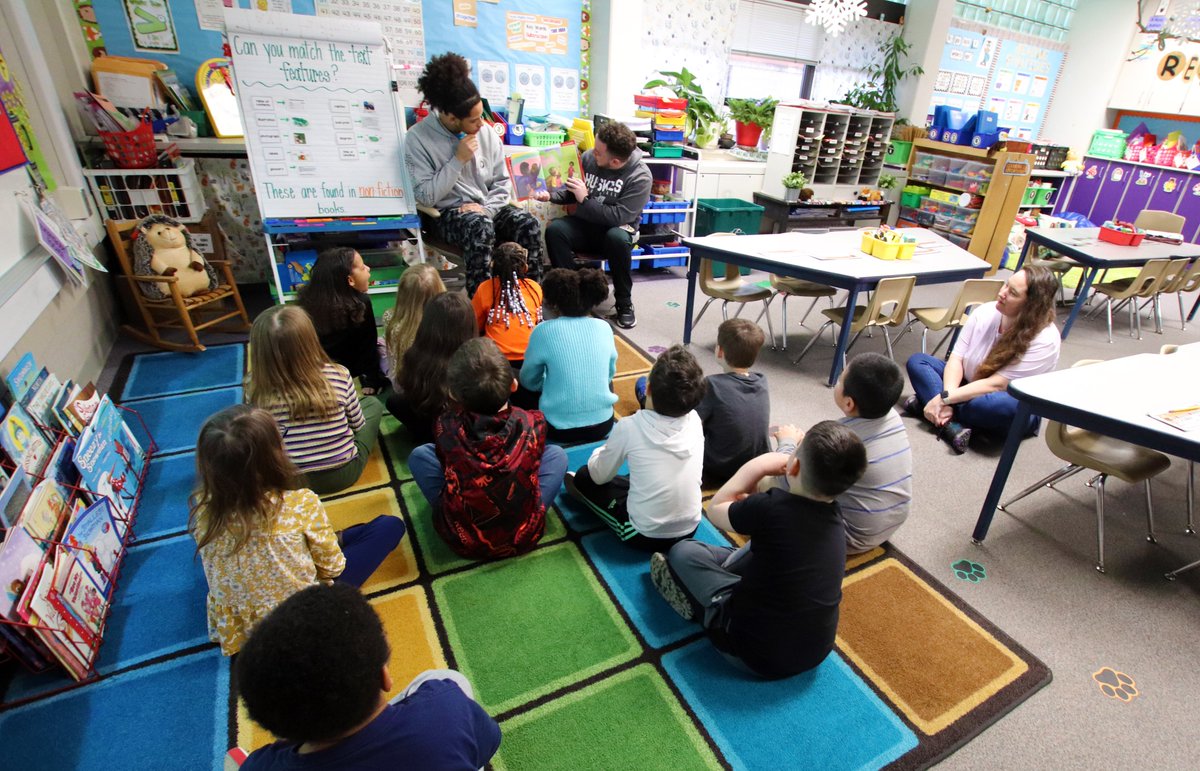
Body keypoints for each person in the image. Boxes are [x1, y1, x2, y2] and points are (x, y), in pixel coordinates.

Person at [650, 420, 867, 679]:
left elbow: (714, 509)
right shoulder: (836, 518)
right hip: (815, 652)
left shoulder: (772, 508)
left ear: (793, 466)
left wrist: (759, 466)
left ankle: (702, 607)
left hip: (750, 654)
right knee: (768, 552)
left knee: (684, 552)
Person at [189, 406, 405, 655]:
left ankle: (334, 538)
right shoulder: (301, 503)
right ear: (274, 455)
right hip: (303, 615)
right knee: (389, 526)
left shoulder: (204, 512)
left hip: (242, 630)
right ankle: (335, 538)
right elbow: (333, 569)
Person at [237, 583, 500, 769]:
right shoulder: (444, 707)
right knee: (450, 678)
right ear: (385, 677)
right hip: (439, 742)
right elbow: (490, 738)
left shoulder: (264, 765)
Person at [408, 338, 568, 560]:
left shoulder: (444, 426)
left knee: (420, 455)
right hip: (523, 535)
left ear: (453, 394)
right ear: (513, 384)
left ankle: (453, 511)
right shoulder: (535, 421)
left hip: (463, 539)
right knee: (557, 455)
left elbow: (448, 467)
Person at [404, 52, 543, 296]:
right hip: (446, 214)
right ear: (450, 116)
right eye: (474, 120)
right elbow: (425, 197)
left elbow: (502, 183)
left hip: (485, 209)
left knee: (528, 224)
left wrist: (487, 209)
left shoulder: (486, 133)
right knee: (479, 227)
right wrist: (457, 160)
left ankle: (530, 301)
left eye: (481, 117)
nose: (481, 125)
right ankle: (481, 311)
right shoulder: (418, 138)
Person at [904, 265, 1061, 454]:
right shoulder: (985, 312)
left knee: (990, 406)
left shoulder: (1045, 339)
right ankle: (951, 425)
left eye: (1012, 293)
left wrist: (944, 398)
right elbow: (956, 359)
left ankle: (928, 405)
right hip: (967, 384)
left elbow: (996, 385)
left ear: (1031, 305)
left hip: (1006, 400)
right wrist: (948, 396)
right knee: (919, 362)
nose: (1002, 293)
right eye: (1005, 285)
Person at [565, 345, 707, 551]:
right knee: (640, 476)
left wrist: (599, 453)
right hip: (691, 526)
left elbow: (599, 476)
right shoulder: (695, 420)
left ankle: (589, 500)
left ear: (648, 389)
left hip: (642, 533)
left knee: (584, 477)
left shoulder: (629, 427)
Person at [776, 353, 912, 553]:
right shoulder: (892, 417)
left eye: (840, 379)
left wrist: (787, 444)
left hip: (848, 537)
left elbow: (791, 474)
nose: (838, 381)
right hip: (886, 525)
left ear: (849, 403)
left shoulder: (844, 439)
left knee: (771, 477)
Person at [246, 306, 384, 496]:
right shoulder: (339, 374)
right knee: (373, 404)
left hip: (288, 481)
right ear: (311, 340)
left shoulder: (254, 388)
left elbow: (262, 439)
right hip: (343, 474)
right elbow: (358, 425)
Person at [535, 121, 652, 330]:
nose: (591, 153)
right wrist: (550, 196)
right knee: (556, 230)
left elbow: (618, 216)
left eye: (598, 152)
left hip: (617, 230)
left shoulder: (640, 177)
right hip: (587, 225)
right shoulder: (589, 158)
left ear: (615, 161)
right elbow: (572, 191)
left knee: (616, 237)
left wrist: (585, 200)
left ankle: (624, 303)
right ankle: (571, 297)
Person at [519, 268, 617, 443]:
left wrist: (551, 384)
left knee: (517, 384)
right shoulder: (604, 328)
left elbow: (528, 381)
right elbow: (609, 374)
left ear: (555, 304)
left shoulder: (543, 331)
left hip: (557, 429)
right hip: (603, 424)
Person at [386, 292, 476, 444]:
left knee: (394, 402)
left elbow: (406, 389)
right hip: (463, 431)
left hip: (430, 427)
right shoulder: (476, 358)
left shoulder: (414, 355)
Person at [297, 247, 388, 396]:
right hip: (346, 371)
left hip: (314, 370)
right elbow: (368, 344)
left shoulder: (306, 299)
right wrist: (371, 378)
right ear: (350, 280)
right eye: (362, 267)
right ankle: (369, 379)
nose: (368, 269)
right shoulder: (360, 303)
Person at [695, 318, 771, 487]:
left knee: (644, 387)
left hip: (718, 469)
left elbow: (691, 424)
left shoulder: (712, 384)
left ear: (720, 351)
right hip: (754, 469)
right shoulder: (762, 381)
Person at [471, 242, 543, 367]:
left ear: (493, 267)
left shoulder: (485, 288)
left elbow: (473, 326)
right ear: (525, 267)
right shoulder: (534, 288)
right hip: (529, 359)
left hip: (497, 361)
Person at [382, 264, 446, 389]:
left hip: (402, 386)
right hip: (436, 389)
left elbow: (392, 360)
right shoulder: (444, 322)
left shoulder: (390, 318)